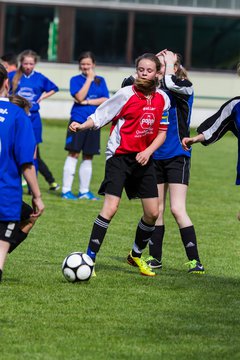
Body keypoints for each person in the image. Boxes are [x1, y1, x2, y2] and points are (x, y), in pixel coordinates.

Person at [69, 53, 170, 276]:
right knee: (111, 208)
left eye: (149, 70)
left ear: (157, 73)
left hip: (144, 159)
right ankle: (90, 260)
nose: (144, 73)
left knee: (153, 213)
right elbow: (100, 116)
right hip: (119, 157)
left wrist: (148, 151)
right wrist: (81, 125)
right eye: (141, 69)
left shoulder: (163, 98)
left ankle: (135, 255)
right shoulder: (125, 94)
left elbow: (162, 133)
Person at [122, 50, 205, 274]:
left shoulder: (184, 86)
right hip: (154, 156)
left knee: (177, 209)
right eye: (159, 66)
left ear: (176, 68)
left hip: (178, 155)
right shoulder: (155, 90)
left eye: (168, 65)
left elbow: (170, 81)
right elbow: (127, 84)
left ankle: (195, 261)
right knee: (156, 210)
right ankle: (155, 258)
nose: (162, 69)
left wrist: (168, 64)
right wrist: (147, 65)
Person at [0, 64, 44, 282]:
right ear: (6, 83)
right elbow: (27, 163)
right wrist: (37, 195)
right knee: (27, 217)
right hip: (5, 192)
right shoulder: (17, 117)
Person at [8, 49, 60, 192]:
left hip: (34, 119)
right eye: (25, 63)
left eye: (31, 64)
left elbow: (55, 88)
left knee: (33, 153)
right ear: (21, 63)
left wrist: (42, 97)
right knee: (12, 149)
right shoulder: (12, 76)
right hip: (16, 117)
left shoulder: (39, 78)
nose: (28, 66)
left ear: (35, 64)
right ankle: (14, 183)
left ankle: (32, 186)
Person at [62, 51, 109, 200]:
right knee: (73, 153)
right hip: (77, 120)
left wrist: (88, 102)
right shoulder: (75, 80)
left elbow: (105, 99)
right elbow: (79, 97)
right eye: (83, 64)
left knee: (88, 156)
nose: (85, 66)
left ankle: (84, 191)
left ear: (94, 64)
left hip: (94, 122)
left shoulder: (101, 80)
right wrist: (89, 80)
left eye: (88, 64)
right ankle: (66, 191)